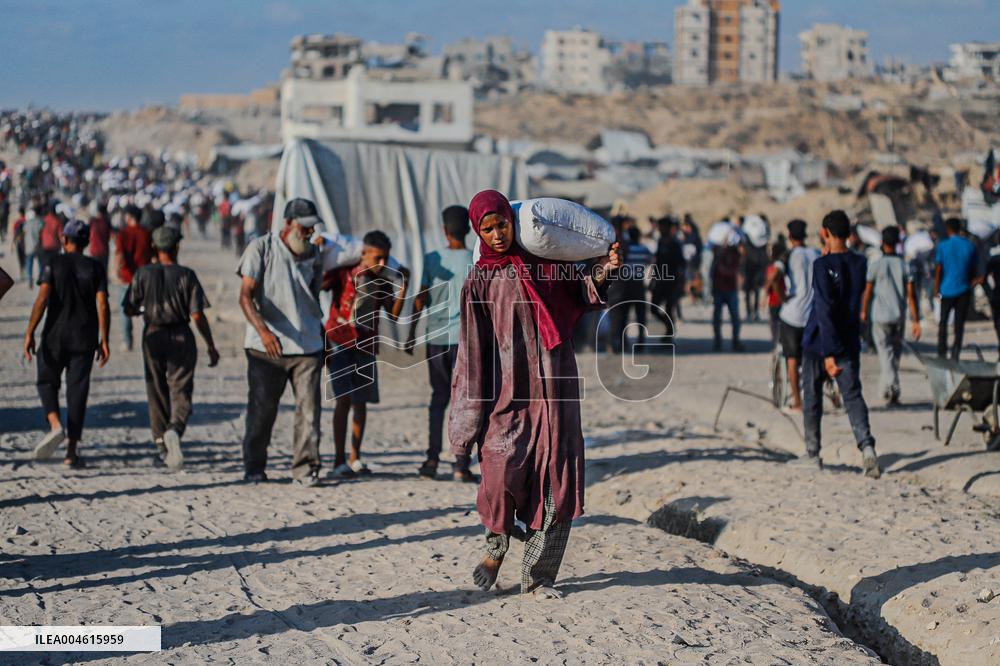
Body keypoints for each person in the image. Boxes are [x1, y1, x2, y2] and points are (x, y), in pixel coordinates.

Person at [450, 190, 621, 600]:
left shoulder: (543, 264)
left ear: (513, 220)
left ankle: (539, 578)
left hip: (557, 386)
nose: (495, 234)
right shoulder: (479, 280)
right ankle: (496, 545)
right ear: (477, 230)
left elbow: (581, 294)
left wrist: (602, 270)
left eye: (502, 224)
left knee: (555, 479)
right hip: (510, 391)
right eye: (486, 228)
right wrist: (467, 419)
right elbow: (472, 350)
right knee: (499, 468)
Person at [236, 198, 325, 485]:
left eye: (312, 229)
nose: (309, 233)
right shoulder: (260, 248)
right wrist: (263, 331)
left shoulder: (315, 253)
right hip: (266, 349)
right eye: (304, 227)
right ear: (287, 223)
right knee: (262, 410)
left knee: (309, 413)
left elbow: (314, 296)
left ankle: (305, 468)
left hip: (307, 346)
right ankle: (254, 467)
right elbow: (245, 296)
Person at [125, 226, 219, 470]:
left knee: (155, 388)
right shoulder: (186, 275)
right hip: (181, 334)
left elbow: (129, 307)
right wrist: (210, 344)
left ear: (155, 248)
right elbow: (197, 315)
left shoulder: (143, 273)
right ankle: (175, 429)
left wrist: (142, 309)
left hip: (153, 334)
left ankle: (160, 443)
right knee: (181, 387)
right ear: (177, 247)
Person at [797, 210, 880, 478]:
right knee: (853, 396)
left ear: (825, 233)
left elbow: (824, 308)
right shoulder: (860, 263)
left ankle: (813, 454)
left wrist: (829, 353)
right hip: (848, 340)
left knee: (812, 397)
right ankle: (867, 448)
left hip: (821, 343)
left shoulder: (821, 266)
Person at [22, 219, 110, 468]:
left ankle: (54, 424)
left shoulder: (53, 263)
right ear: (86, 242)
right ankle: (71, 452)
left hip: (54, 336)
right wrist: (105, 338)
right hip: (85, 337)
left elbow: (42, 299)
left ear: (64, 239)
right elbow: (102, 303)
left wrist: (30, 331)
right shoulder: (95, 267)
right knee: (77, 392)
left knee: (46, 380)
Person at [325, 230, 409, 479]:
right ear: (364, 254)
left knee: (361, 401)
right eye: (377, 258)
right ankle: (339, 460)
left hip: (366, 344)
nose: (382, 264)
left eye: (386, 259)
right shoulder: (343, 273)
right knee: (343, 399)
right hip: (339, 340)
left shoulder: (382, 280)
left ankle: (355, 457)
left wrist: (403, 288)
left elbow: (392, 314)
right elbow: (318, 283)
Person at [407, 205, 475, 481]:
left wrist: (411, 333)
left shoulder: (432, 258)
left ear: (444, 230)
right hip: (466, 342)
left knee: (438, 399)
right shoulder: (475, 260)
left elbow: (420, 299)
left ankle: (432, 459)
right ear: (469, 230)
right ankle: (461, 463)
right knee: (465, 403)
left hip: (435, 341)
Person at [861, 227, 922, 405]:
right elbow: (911, 295)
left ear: (882, 243)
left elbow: (868, 292)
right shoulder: (905, 266)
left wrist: (863, 311)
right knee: (894, 355)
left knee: (885, 354)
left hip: (879, 317)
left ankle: (892, 387)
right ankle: (887, 389)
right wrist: (915, 320)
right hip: (898, 316)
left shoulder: (875, 265)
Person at [777, 220, 820, 411]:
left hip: (792, 314)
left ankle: (797, 401)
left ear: (789, 236)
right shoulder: (816, 254)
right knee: (813, 358)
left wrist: (781, 295)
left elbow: (773, 275)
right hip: (812, 314)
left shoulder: (789, 255)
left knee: (792, 359)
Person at [934, 217, 979, 359]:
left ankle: (941, 352)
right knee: (959, 325)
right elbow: (974, 270)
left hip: (946, 290)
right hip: (964, 290)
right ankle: (955, 353)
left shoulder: (942, 246)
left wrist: (937, 287)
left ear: (947, 229)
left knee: (943, 322)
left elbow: (939, 269)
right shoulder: (970, 246)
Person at [609, 225, 652, 353]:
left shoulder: (625, 249)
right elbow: (650, 261)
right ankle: (641, 342)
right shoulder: (644, 249)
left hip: (624, 286)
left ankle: (623, 342)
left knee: (624, 314)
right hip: (638, 285)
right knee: (640, 315)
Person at [116, 205, 154, 351]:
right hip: (145, 277)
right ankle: (149, 339)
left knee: (124, 309)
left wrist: (117, 271)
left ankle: (127, 341)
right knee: (147, 309)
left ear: (130, 217)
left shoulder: (123, 234)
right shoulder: (147, 233)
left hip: (127, 277)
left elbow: (119, 256)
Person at [650, 216, 685, 338]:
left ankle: (669, 334)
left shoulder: (675, 244)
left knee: (669, 309)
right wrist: (653, 280)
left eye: (662, 226)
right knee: (653, 309)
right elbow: (657, 263)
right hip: (660, 281)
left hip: (672, 283)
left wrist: (679, 283)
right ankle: (668, 326)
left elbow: (681, 264)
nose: (659, 229)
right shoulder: (660, 242)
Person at [710, 237, 743, 352]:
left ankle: (735, 341)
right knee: (717, 318)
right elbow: (714, 271)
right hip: (719, 289)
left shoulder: (735, 255)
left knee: (735, 318)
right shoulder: (717, 254)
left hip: (730, 289)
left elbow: (734, 269)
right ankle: (718, 341)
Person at [763, 243, 787, 345]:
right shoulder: (783, 265)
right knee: (781, 323)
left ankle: (776, 342)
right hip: (782, 299)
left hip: (775, 299)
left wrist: (765, 293)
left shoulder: (773, 267)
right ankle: (779, 342)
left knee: (774, 323)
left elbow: (771, 279)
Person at [38, 201, 64, 273]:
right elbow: (61, 236)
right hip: (55, 247)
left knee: (46, 267)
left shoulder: (43, 220)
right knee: (55, 267)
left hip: (45, 247)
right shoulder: (57, 221)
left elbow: (39, 234)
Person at [86, 201, 111, 272]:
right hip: (104, 251)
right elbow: (108, 237)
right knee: (103, 272)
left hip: (94, 251)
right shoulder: (106, 222)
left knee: (94, 273)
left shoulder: (92, 221)